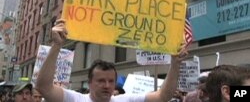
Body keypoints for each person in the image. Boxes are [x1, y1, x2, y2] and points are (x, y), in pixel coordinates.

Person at [36, 19, 188, 102]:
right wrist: (57, 45)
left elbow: (163, 97)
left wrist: (175, 64)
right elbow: (43, 87)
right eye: (101, 81)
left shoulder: (126, 100)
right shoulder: (75, 99)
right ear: (89, 83)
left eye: (110, 81)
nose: (107, 85)